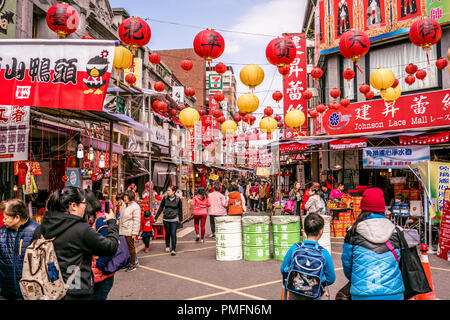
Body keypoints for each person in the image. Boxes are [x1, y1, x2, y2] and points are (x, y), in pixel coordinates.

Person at [32, 187, 119, 300]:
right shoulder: (81, 230)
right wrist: (112, 223)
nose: (85, 206)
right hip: (76, 290)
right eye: (84, 203)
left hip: (48, 290)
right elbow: (110, 247)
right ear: (73, 206)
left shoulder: (41, 229)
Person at [341, 187, 404, 300]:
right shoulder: (397, 231)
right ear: (382, 209)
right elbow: (402, 262)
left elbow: (347, 265)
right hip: (394, 293)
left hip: (362, 294)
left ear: (362, 208)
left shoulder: (353, 232)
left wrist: (358, 279)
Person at [280, 213, 336, 300]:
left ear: (304, 230)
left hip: (295, 292)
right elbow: (331, 278)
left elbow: (283, 269)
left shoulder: (295, 248)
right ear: (321, 231)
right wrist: (317, 281)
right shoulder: (324, 253)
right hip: (314, 294)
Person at [0, 199, 39, 300]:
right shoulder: (2, 233)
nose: (3, 221)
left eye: (6, 218)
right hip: (5, 293)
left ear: (17, 217)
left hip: (30, 293)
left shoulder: (36, 230)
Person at [155, 185, 183, 256]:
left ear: (173, 192)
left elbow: (180, 210)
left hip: (174, 219)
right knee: (167, 233)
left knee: (173, 233)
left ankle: (173, 249)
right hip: (166, 219)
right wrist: (156, 217)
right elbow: (161, 207)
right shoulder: (165, 198)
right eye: (167, 190)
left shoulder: (178, 199)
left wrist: (181, 219)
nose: (167, 192)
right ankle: (167, 245)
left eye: (169, 190)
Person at [118, 190, 141, 272]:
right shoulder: (124, 205)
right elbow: (121, 216)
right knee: (125, 248)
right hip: (122, 229)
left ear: (130, 197)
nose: (124, 198)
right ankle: (127, 263)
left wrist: (135, 232)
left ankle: (133, 264)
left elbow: (137, 220)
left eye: (125, 196)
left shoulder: (136, 206)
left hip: (129, 230)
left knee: (131, 247)